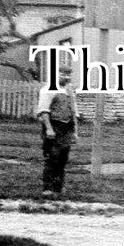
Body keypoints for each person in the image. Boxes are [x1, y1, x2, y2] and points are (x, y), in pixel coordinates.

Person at [36, 64, 77, 197]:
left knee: (63, 159)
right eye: (62, 74)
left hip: (67, 128)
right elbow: (44, 111)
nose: (66, 77)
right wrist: (49, 128)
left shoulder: (69, 90)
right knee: (52, 157)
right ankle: (47, 188)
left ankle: (58, 188)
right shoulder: (48, 89)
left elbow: (73, 111)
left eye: (68, 74)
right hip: (54, 126)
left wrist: (75, 131)